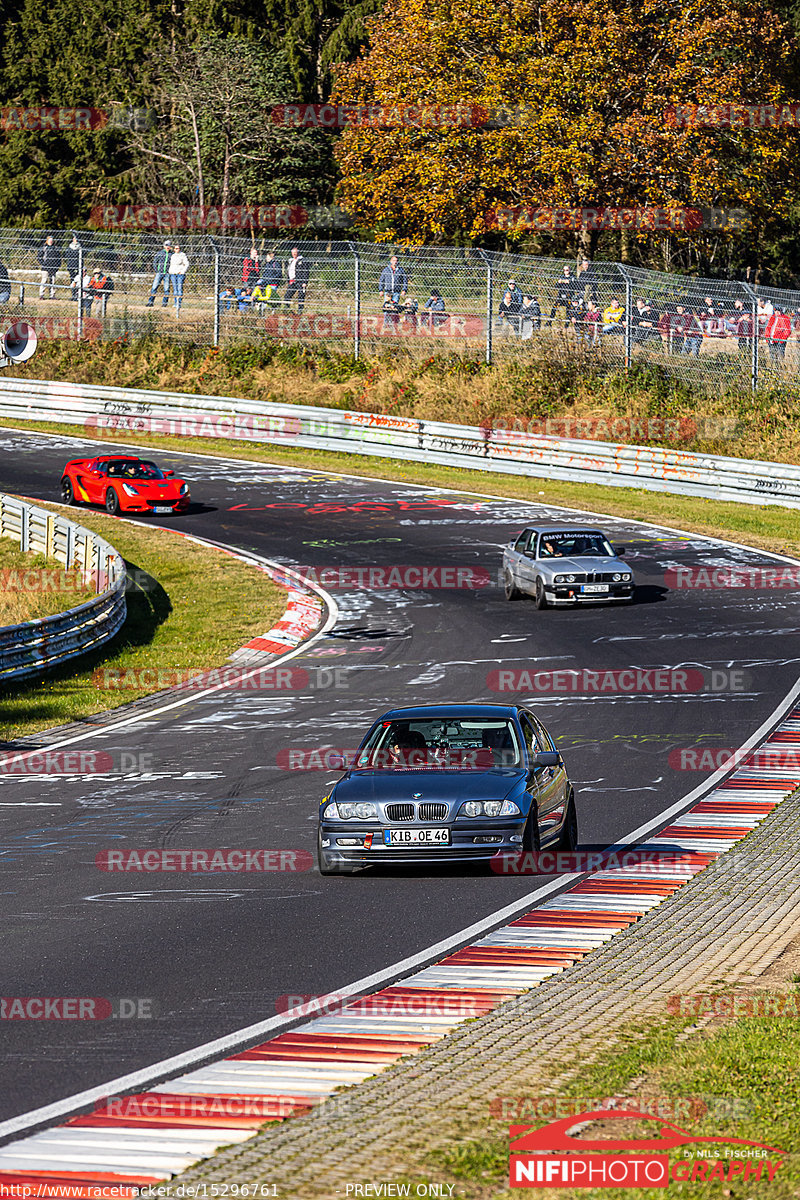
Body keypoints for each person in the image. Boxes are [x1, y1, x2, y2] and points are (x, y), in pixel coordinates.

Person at [146, 241, 173, 307]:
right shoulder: (160, 253)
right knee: (154, 287)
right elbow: (155, 262)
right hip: (159, 273)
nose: (168, 247)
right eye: (166, 245)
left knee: (166, 289)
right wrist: (157, 270)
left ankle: (164, 303)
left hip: (167, 273)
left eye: (169, 245)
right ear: (164, 246)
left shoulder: (171, 254)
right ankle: (150, 302)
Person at [284, 246, 309, 313]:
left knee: (301, 296)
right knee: (287, 296)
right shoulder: (290, 260)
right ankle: (287, 310)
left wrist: (305, 282)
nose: (294, 254)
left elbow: (306, 271)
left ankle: (300, 311)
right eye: (293, 253)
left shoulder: (302, 260)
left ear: (298, 252)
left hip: (300, 281)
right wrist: (288, 280)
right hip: (292, 281)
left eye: (295, 252)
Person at [38, 235, 61, 300]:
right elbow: (39, 257)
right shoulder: (44, 248)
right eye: (49, 240)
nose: (51, 242)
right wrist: (43, 263)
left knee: (53, 281)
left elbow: (58, 258)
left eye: (52, 240)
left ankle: (52, 295)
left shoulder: (55, 248)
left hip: (53, 267)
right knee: (44, 281)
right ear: (47, 241)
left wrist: (58, 266)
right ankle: (41, 295)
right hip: (45, 267)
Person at [168, 243, 189, 314]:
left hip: (180, 274)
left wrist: (182, 271)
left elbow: (186, 264)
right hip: (173, 274)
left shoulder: (182, 255)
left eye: (178, 248)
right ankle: (175, 302)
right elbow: (171, 264)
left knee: (179, 288)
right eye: (175, 248)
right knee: (175, 289)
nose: (176, 250)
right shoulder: (173, 256)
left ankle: (179, 303)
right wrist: (170, 271)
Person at [65, 235, 81, 301]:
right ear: (73, 239)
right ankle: (73, 295)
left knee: (78, 281)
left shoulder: (80, 247)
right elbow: (67, 256)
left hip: (78, 266)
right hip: (71, 266)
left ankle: (77, 296)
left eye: (77, 239)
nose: (76, 240)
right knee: (72, 281)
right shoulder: (69, 247)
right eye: (75, 239)